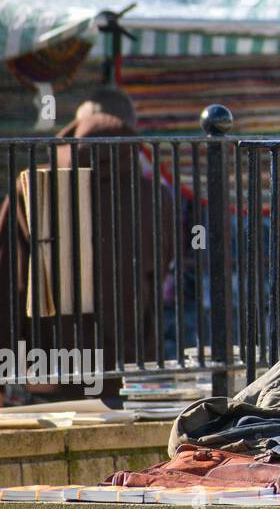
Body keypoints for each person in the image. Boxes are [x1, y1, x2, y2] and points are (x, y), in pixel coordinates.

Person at [0, 87, 175, 402]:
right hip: (131, 375)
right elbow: (158, 274)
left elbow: (8, 283)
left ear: (74, 130)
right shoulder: (154, 197)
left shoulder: (32, 188)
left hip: (50, 374)